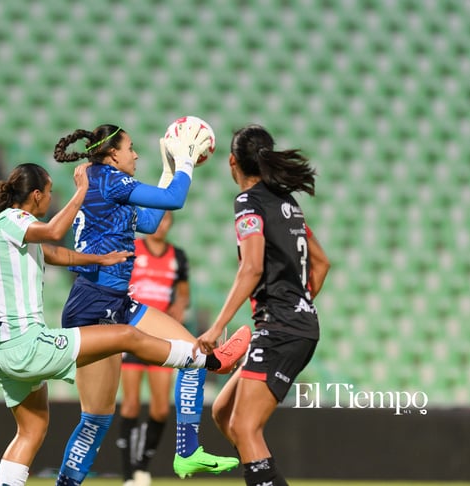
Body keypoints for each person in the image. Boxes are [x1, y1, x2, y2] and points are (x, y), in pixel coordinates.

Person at [0, 162, 248, 486]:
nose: (51, 198)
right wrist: (81, 190)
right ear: (36, 195)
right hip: (25, 344)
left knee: (32, 430)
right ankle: (208, 359)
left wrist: (97, 259)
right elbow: (52, 232)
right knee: (126, 336)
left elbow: (54, 253)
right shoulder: (16, 220)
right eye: (50, 192)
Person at [52, 124, 252, 486]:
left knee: (193, 352)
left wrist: (166, 172)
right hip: (92, 307)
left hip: (116, 303)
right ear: (113, 154)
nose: (136, 154)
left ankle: (188, 451)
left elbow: (150, 220)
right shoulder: (109, 180)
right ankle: (66, 484)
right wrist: (186, 163)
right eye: (130, 148)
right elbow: (174, 201)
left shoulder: (105, 183)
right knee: (96, 418)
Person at [196, 125, 331, 486]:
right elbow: (321, 263)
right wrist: (298, 306)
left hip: (281, 327)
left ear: (231, 162)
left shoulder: (249, 202)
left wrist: (215, 327)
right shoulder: (287, 203)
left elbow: (252, 266)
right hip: (292, 324)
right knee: (225, 413)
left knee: (243, 425)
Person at [117, 211, 190, 486]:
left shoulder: (178, 256)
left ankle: (142, 464)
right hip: (132, 334)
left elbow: (183, 293)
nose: (161, 226)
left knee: (160, 409)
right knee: (131, 404)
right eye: (157, 221)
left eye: (166, 221)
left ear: (171, 224)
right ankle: (128, 475)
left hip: (161, 338)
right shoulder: (132, 250)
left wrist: (179, 307)